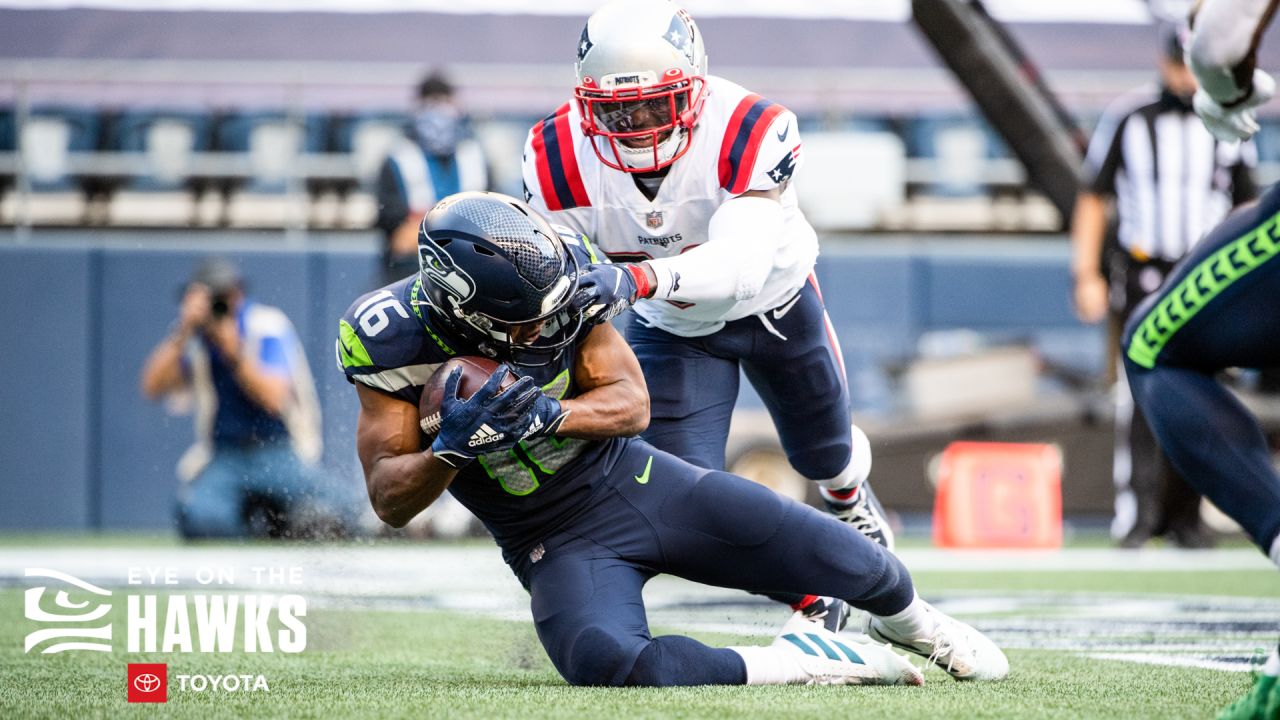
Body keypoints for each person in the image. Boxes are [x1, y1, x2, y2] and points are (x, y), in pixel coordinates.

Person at [337, 191, 1008, 688]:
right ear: (460, 307)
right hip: (549, 540)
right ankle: (802, 664)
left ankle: (912, 623)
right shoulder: (391, 338)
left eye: (552, 316)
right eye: (523, 323)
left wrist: (549, 415)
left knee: (865, 565)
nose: (544, 331)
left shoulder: (567, 276)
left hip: (633, 482)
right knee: (606, 661)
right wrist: (452, 447)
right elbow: (389, 501)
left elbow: (631, 404)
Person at [519, 0, 891, 627]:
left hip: (775, 305)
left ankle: (849, 495)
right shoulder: (554, 157)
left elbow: (737, 271)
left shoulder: (749, 125)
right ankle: (811, 598)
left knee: (824, 454)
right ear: (586, 104)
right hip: (672, 328)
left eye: (652, 105)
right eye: (615, 111)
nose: (635, 127)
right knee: (690, 500)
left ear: (692, 88)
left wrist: (635, 277)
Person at [1121, 0, 1280, 716]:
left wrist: (1224, 87)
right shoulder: (1131, 122)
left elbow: (1218, 42)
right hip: (1146, 252)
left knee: (1152, 348)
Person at [1071, 23, 1258, 550]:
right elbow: (1093, 197)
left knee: (1205, 394)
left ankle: (1187, 516)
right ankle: (1136, 514)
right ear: (1164, 64)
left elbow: (1248, 205)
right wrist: (1085, 273)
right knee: (1139, 392)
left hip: (1206, 275)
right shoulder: (1130, 117)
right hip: (1146, 273)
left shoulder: (1227, 122)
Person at [140, 257, 352, 539]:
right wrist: (183, 330)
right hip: (225, 455)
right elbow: (152, 386)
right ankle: (266, 521)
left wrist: (234, 352)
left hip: (276, 451)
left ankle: (283, 518)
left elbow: (273, 398)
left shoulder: (265, 325)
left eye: (221, 296)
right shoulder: (197, 338)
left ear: (237, 293)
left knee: (342, 510)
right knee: (203, 520)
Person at [375, 70, 489, 285]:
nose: (437, 109)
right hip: (410, 270)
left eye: (444, 101)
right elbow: (397, 234)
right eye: (430, 101)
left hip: (470, 267)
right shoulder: (397, 157)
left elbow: (491, 219)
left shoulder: (475, 155)